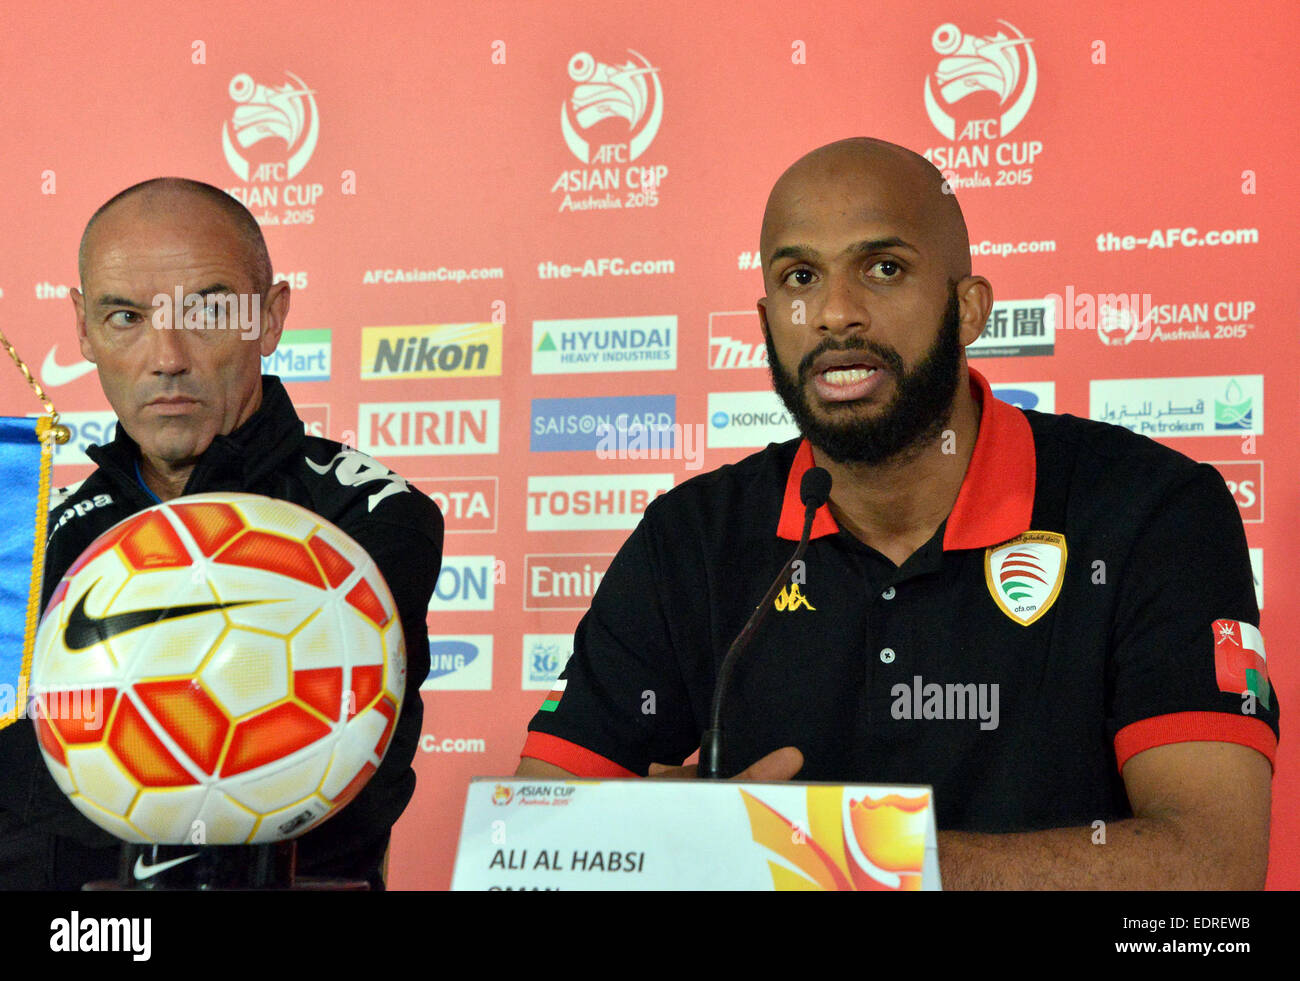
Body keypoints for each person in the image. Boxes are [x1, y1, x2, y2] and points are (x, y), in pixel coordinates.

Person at [517, 138, 1277, 889]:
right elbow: (529, 836)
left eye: (884, 268)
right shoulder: (688, 539)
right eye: (800, 276)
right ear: (765, 319)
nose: (836, 313)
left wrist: (830, 859)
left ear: (969, 307)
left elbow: (1213, 862)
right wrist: (639, 840)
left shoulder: (1153, 510)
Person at [0, 178, 443, 890]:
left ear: (269, 318)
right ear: (82, 328)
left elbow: (273, 770)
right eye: (125, 317)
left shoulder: (365, 518)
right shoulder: (28, 544)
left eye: (205, 310)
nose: (166, 355)